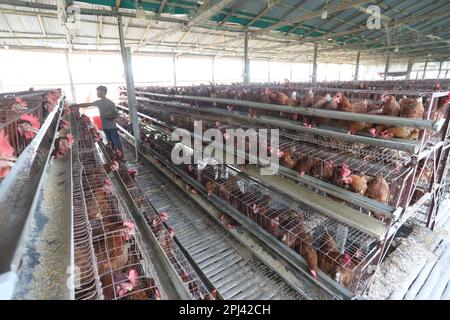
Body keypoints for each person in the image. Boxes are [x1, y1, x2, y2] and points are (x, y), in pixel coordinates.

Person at [73, 86, 123, 153]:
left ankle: (122, 156)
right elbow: (88, 104)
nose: (97, 93)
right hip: (105, 126)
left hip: (111, 127)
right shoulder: (99, 102)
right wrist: (77, 105)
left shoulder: (110, 103)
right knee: (110, 142)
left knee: (116, 141)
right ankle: (117, 155)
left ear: (103, 92)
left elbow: (115, 115)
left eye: (98, 92)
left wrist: (108, 115)